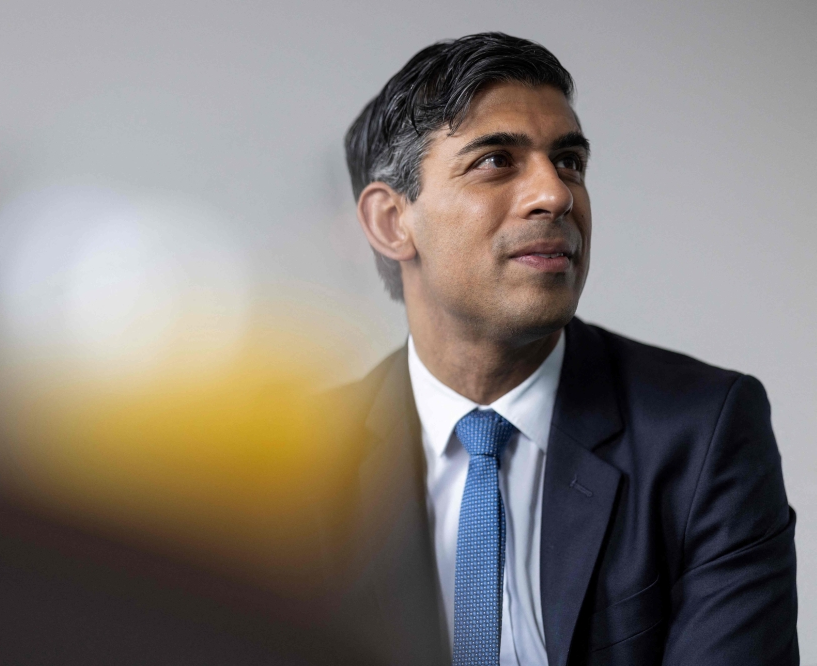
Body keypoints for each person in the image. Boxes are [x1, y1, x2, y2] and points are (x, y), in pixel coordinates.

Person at [314, 33, 798, 666]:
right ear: (391, 222)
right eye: (496, 161)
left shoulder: (703, 431)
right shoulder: (300, 465)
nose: (557, 193)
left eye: (568, 161)